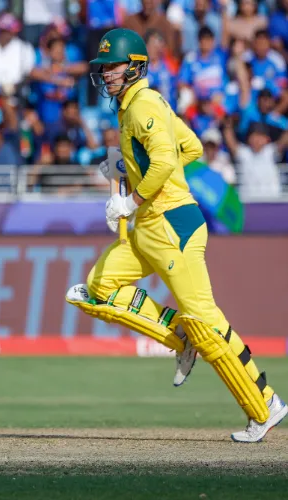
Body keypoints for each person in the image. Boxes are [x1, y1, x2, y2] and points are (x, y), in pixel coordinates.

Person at [66, 28, 287, 443]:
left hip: (170, 225)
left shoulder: (143, 105)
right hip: (150, 227)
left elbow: (168, 158)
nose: (105, 74)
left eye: (112, 68)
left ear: (134, 68)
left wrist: (132, 198)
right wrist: (131, 170)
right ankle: (178, 334)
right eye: (103, 68)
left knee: (206, 320)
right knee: (96, 290)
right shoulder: (140, 103)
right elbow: (190, 148)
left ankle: (265, 404)